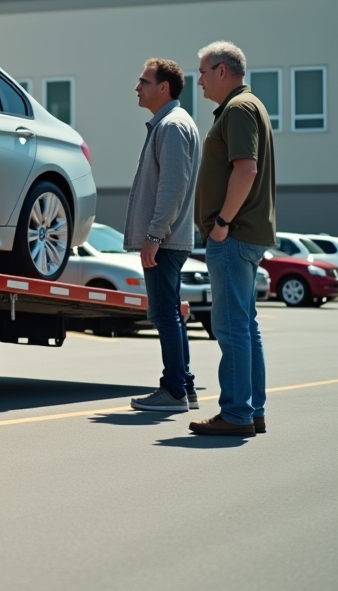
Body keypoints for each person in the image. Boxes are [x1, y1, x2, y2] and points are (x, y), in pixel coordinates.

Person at [191, 40, 277, 436]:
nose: (200, 80)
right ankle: (251, 411)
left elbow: (246, 170)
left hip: (233, 236)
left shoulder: (239, 108)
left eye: (204, 72)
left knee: (230, 327)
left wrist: (222, 222)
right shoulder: (247, 106)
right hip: (242, 236)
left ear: (222, 71)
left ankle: (237, 414)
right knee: (245, 326)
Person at [125, 59, 202, 413]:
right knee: (169, 311)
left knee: (163, 314)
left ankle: (173, 391)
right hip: (169, 238)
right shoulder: (171, 124)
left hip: (165, 240)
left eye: (144, 81)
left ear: (164, 88)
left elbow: (173, 186)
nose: (137, 87)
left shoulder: (172, 126)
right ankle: (184, 387)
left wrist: (154, 235)